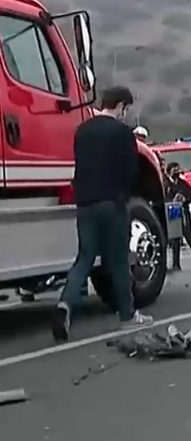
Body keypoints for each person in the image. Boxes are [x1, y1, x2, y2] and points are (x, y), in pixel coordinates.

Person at [51, 86, 153, 342]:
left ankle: (64, 306)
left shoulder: (82, 131)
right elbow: (130, 171)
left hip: (85, 204)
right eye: (125, 109)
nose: (124, 114)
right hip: (112, 204)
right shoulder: (122, 133)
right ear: (120, 106)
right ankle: (128, 316)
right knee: (118, 260)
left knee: (84, 258)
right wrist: (124, 196)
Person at [167, 162, 191, 271]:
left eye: (178, 170)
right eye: (174, 170)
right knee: (175, 240)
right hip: (173, 211)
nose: (177, 172)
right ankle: (176, 264)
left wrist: (185, 199)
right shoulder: (166, 185)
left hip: (184, 211)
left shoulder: (183, 184)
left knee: (189, 237)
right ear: (169, 171)